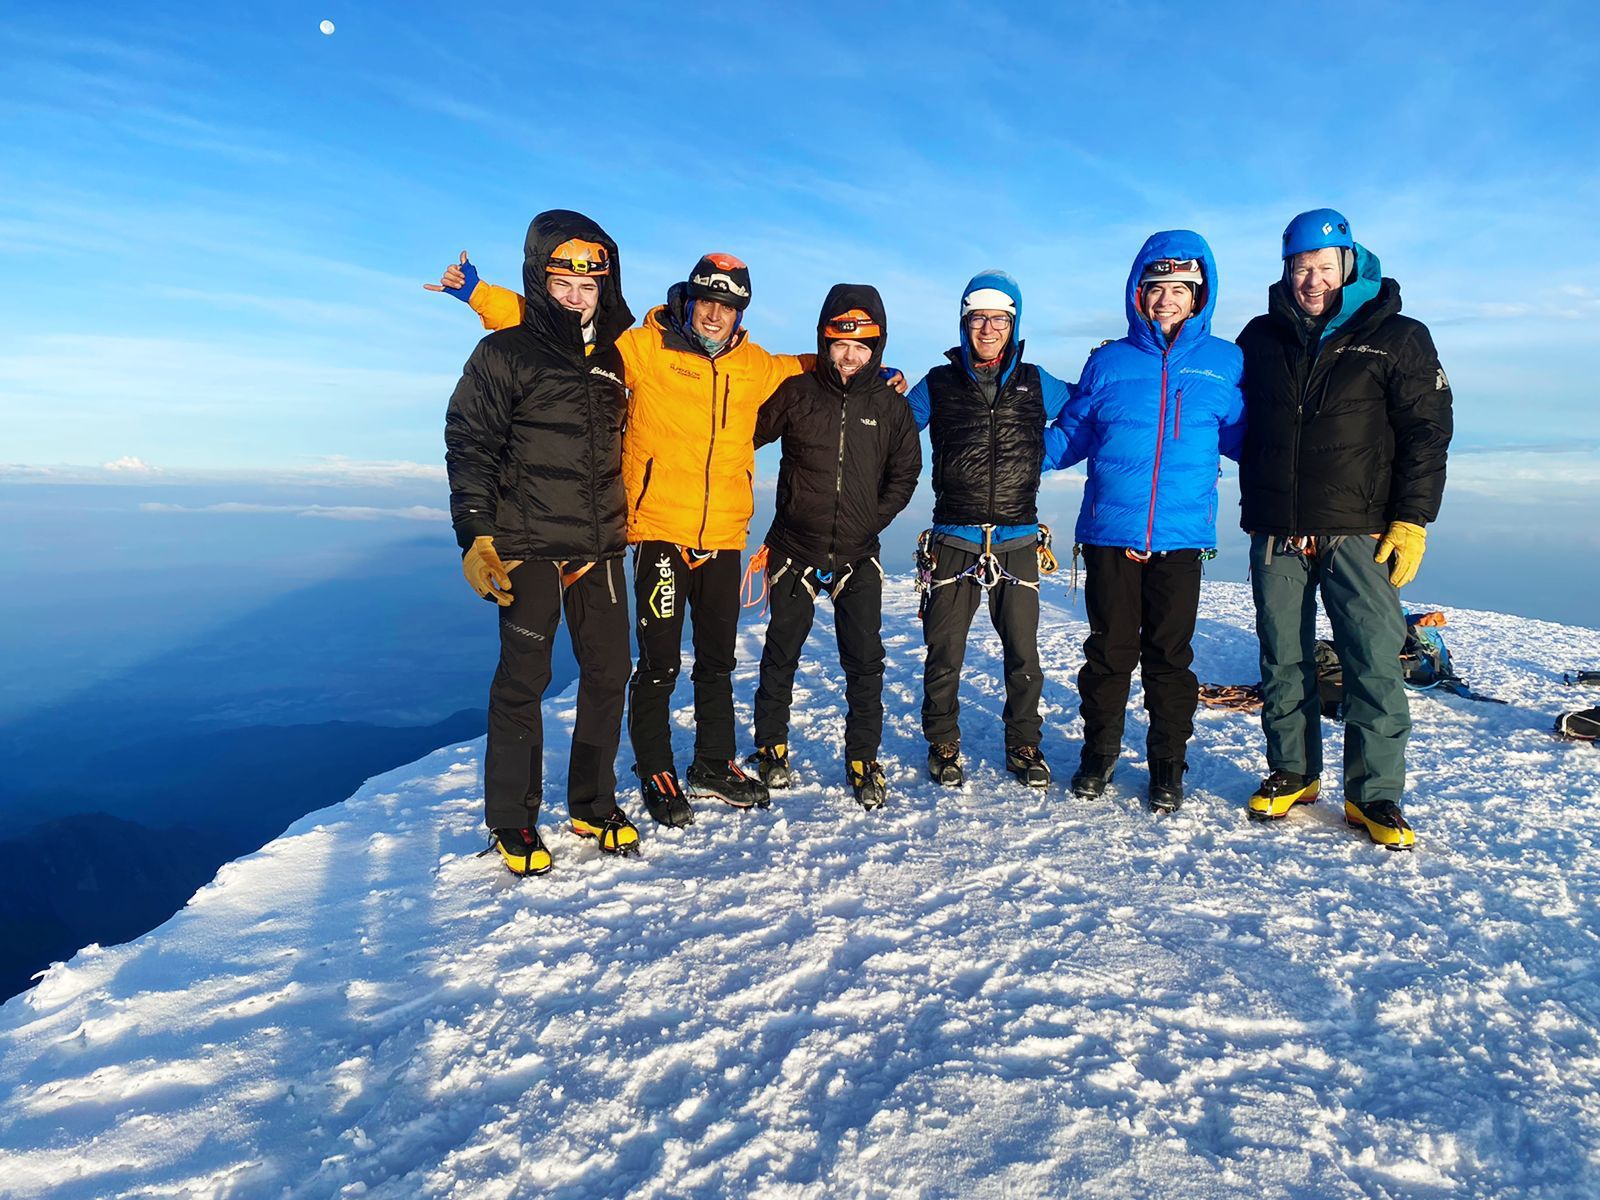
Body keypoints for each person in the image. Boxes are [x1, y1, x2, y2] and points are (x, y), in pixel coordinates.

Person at [433, 251, 817, 826]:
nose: (716, 315)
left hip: (724, 534)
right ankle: (657, 768)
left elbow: (811, 366)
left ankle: (714, 762)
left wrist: (868, 369)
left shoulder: (756, 365)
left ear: (742, 312)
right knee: (658, 662)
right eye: (707, 301)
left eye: (729, 306)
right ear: (689, 300)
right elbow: (553, 322)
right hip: (658, 529)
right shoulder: (641, 347)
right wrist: (478, 295)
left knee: (716, 661)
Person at [1237, 208, 1453, 848]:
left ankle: (1375, 795)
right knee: (1284, 653)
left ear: (1350, 264)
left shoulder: (1399, 336)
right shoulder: (1260, 337)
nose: (1312, 280)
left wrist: (1412, 517)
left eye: (1324, 267)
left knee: (1373, 658)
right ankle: (1293, 773)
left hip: (1362, 528)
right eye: (1301, 268)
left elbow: (1427, 433)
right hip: (1277, 525)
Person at [443, 210, 640, 876]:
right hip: (526, 544)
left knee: (610, 674)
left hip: (601, 545)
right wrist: (476, 535)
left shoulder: (615, 359)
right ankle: (512, 820)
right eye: (564, 282)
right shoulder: (505, 352)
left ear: (605, 286)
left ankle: (591, 803)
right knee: (525, 680)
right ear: (541, 279)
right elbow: (470, 442)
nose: (578, 295)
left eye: (590, 283)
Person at [1052, 232, 1245, 811]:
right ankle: (1099, 753)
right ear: (1138, 293)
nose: (1166, 300)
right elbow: (1070, 437)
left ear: (1199, 295)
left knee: (1170, 657)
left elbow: (1253, 440)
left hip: (1181, 538)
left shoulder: (1225, 361)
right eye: (1155, 288)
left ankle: (1167, 765)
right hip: (1111, 531)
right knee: (1109, 652)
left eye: (1179, 289)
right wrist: (1006, 446)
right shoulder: (1108, 361)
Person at [747, 285, 921, 808]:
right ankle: (771, 748)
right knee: (780, 655)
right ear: (824, 342)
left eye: (862, 346)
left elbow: (906, 471)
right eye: (839, 343)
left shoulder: (891, 406)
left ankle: (863, 757)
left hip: (857, 553)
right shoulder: (798, 393)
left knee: (865, 662)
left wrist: (872, 519)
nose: (850, 355)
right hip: (794, 548)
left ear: (878, 347)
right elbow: (744, 435)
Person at [905, 271, 1074, 788]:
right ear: (964, 323)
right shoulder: (937, 382)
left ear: (1014, 324)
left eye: (1000, 319)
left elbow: (1089, 411)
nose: (988, 328)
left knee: (1024, 653)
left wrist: (1040, 457)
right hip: (954, 536)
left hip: (1017, 538)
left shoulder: (1038, 381)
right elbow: (891, 425)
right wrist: (878, 381)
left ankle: (1024, 744)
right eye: (978, 317)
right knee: (945, 650)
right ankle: (943, 742)